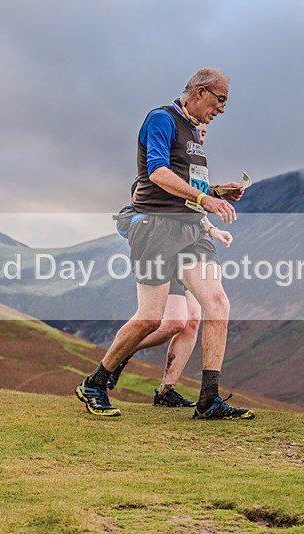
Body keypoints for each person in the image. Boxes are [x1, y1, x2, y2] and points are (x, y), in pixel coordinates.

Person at [76, 67, 255, 420]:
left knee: (216, 303)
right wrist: (205, 200)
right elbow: (158, 173)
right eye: (220, 100)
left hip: (190, 231)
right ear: (201, 92)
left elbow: (189, 184)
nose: (222, 109)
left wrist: (218, 191)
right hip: (156, 228)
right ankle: (95, 383)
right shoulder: (161, 119)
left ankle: (208, 400)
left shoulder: (195, 132)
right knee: (150, 319)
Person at [108, 122, 234, 410]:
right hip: (163, 244)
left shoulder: (194, 167)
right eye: (197, 131)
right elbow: (162, 202)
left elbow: (190, 207)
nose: (200, 136)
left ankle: (166, 391)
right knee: (171, 322)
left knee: (192, 321)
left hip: (189, 243)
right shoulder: (165, 161)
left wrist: (213, 229)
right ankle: (119, 356)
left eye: (204, 133)